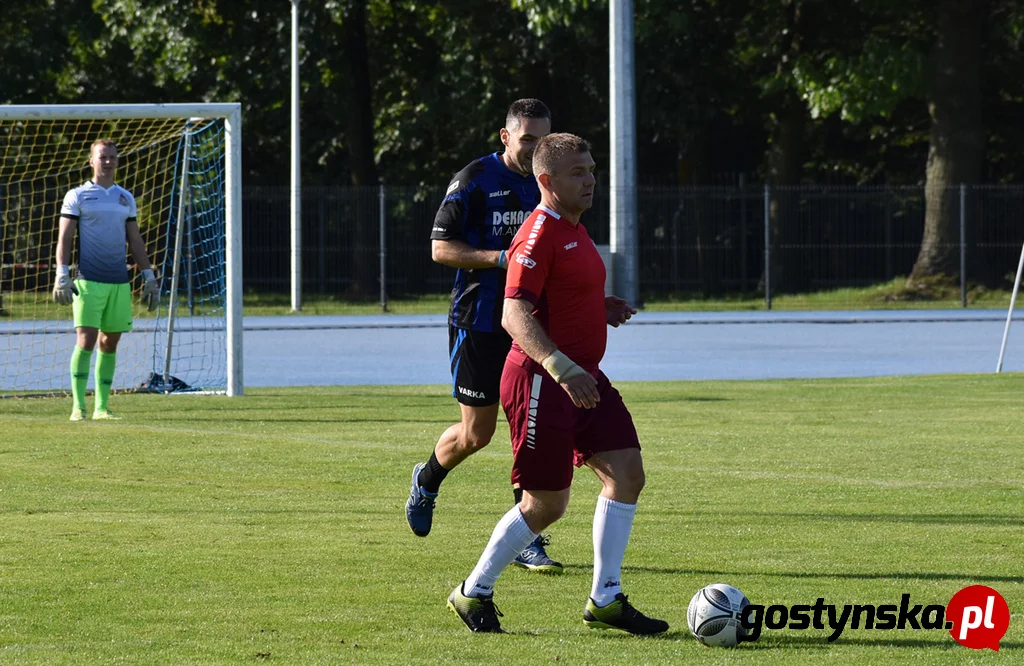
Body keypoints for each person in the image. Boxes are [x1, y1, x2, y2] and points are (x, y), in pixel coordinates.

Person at [446, 133, 667, 636]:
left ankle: (605, 599)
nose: (590, 180)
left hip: (584, 379)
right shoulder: (539, 232)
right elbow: (513, 313)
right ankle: (473, 591)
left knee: (627, 474)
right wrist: (559, 365)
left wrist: (601, 308)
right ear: (546, 182)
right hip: (544, 379)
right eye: (578, 173)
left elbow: (565, 291)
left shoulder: (575, 228)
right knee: (546, 505)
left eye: (591, 170)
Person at [406, 99, 562, 573]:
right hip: (478, 321)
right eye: (529, 139)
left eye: (544, 138)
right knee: (478, 434)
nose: (538, 148)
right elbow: (439, 248)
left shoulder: (551, 183)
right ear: (506, 136)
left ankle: (528, 536)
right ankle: (428, 479)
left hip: (531, 323)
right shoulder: (475, 180)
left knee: (527, 427)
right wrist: (499, 258)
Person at [53, 138, 159, 421]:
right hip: (87, 281)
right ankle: (78, 407)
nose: (109, 161)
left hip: (119, 283)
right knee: (86, 340)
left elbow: (135, 240)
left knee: (109, 343)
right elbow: (65, 237)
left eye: (113, 157)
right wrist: (61, 274)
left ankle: (102, 408)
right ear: (92, 161)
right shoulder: (77, 196)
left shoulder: (125, 197)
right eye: (103, 157)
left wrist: (148, 276)